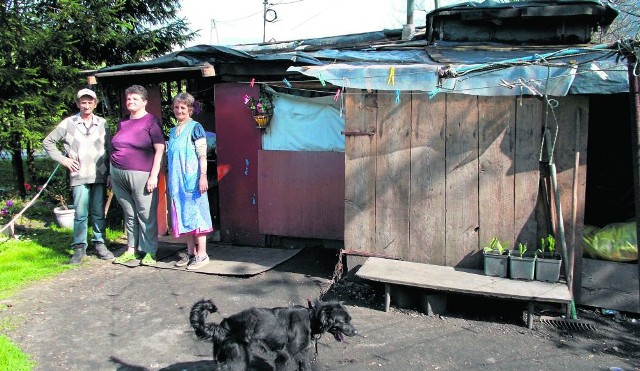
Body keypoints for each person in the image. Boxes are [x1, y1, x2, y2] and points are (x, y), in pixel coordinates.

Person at [43, 88, 114, 264]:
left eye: (90, 102)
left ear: (95, 104)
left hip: (99, 175)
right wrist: (63, 160)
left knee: (98, 212)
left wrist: (111, 172)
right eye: (83, 102)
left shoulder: (102, 123)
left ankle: (100, 243)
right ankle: (79, 247)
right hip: (79, 175)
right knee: (80, 213)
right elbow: (48, 142)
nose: (87, 105)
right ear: (77, 104)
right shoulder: (68, 123)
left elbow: (110, 149)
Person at [111, 85, 165, 266]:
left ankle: (150, 251)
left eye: (135, 99)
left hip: (142, 174)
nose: (130, 102)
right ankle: (131, 250)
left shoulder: (151, 122)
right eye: (128, 99)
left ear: (144, 102)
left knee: (145, 214)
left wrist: (153, 176)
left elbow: (160, 149)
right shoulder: (123, 122)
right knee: (129, 213)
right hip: (118, 173)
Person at [167, 92, 213, 270]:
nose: (179, 110)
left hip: (192, 180)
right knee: (183, 215)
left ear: (191, 110)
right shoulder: (173, 131)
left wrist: (202, 176)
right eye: (177, 107)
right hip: (177, 182)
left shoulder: (196, 128)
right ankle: (191, 252)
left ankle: (202, 254)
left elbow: (202, 155)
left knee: (197, 215)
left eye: (183, 108)